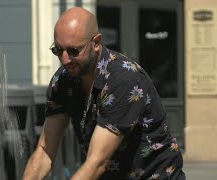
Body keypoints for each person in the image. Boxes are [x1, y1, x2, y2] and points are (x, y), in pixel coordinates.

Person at [23, 7, 185, 180]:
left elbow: (97, 162)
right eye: (58, 50)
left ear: (96, 42)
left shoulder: (124, 79)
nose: (64, 59)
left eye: (73, 51)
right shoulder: (63, 81)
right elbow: (45, 151)